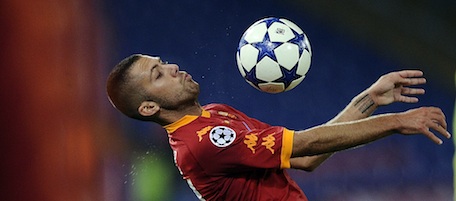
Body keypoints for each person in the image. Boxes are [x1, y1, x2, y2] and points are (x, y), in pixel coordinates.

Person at [106, 54, 451, 201]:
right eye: (158, 74)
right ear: (149, 107)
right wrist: (397, 122)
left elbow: (305, 158)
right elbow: (304, 144)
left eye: (163, 62)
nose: (173, 67)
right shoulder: (203, 142)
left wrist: (370, 99)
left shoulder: (214, 115)